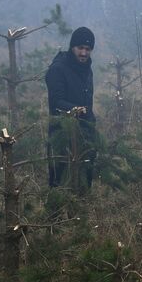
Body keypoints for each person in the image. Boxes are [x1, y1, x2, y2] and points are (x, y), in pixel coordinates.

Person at [45, 27, 97, 191]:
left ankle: (82, 211)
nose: (83, 53)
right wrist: (76, 110)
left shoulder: (87, 68)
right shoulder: (58, 69)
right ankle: (57, 216)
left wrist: (91, 121)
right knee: (59, 180)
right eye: (80, 48)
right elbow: (56, 101)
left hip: (85, 131)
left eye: (87, 49)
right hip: (61, 132)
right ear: (72, 47)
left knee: (84, 180)